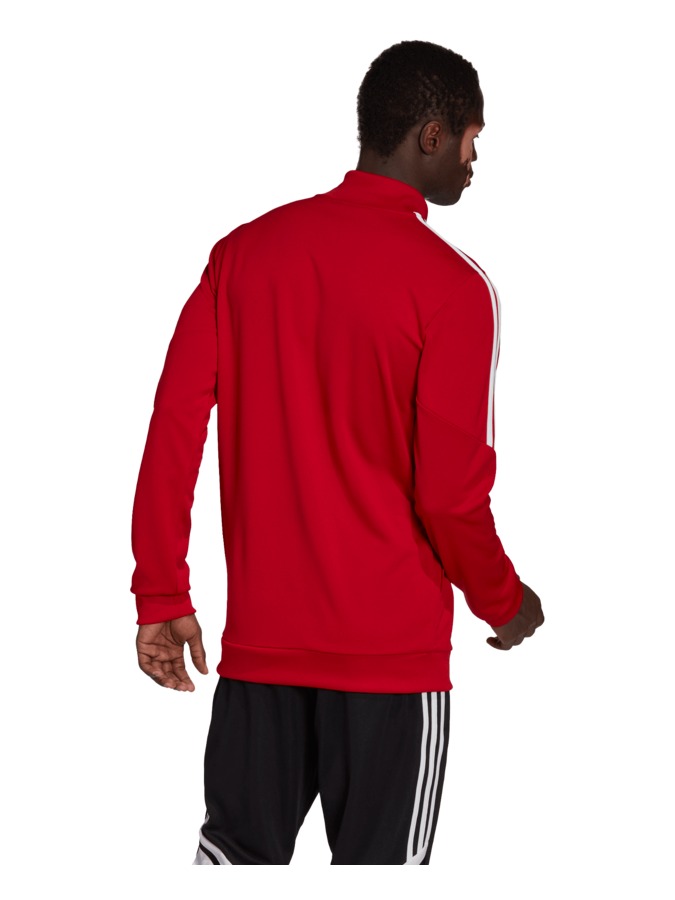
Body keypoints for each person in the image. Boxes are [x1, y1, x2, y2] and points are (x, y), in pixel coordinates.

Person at [130, 39, 544, 866]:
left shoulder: (244, 253)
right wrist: (504, 602)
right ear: (431, 134)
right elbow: (449, 495)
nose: (473, 161)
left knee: (232, 865)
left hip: (261, 657)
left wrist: (160, 591)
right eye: (471, 139)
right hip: (389, 664)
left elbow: (173, 424)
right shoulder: (453, 287)